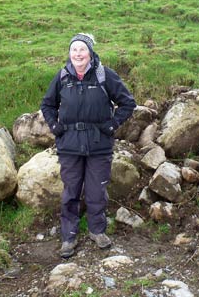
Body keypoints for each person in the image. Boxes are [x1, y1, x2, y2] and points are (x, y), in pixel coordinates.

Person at [41, 33, 136, 258]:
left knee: (96, 192)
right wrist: (55, 126)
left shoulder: (105, 75)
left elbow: (127, 103)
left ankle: (97, 231)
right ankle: (68, 237)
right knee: (70, 192)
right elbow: (47, 104)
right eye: (74, 50)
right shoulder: (62, 76)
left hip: (98, 146)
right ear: (69, 53)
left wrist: (112, 125)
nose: (78, 54)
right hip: (69, 146)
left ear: (90, 52)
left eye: (82, 49)